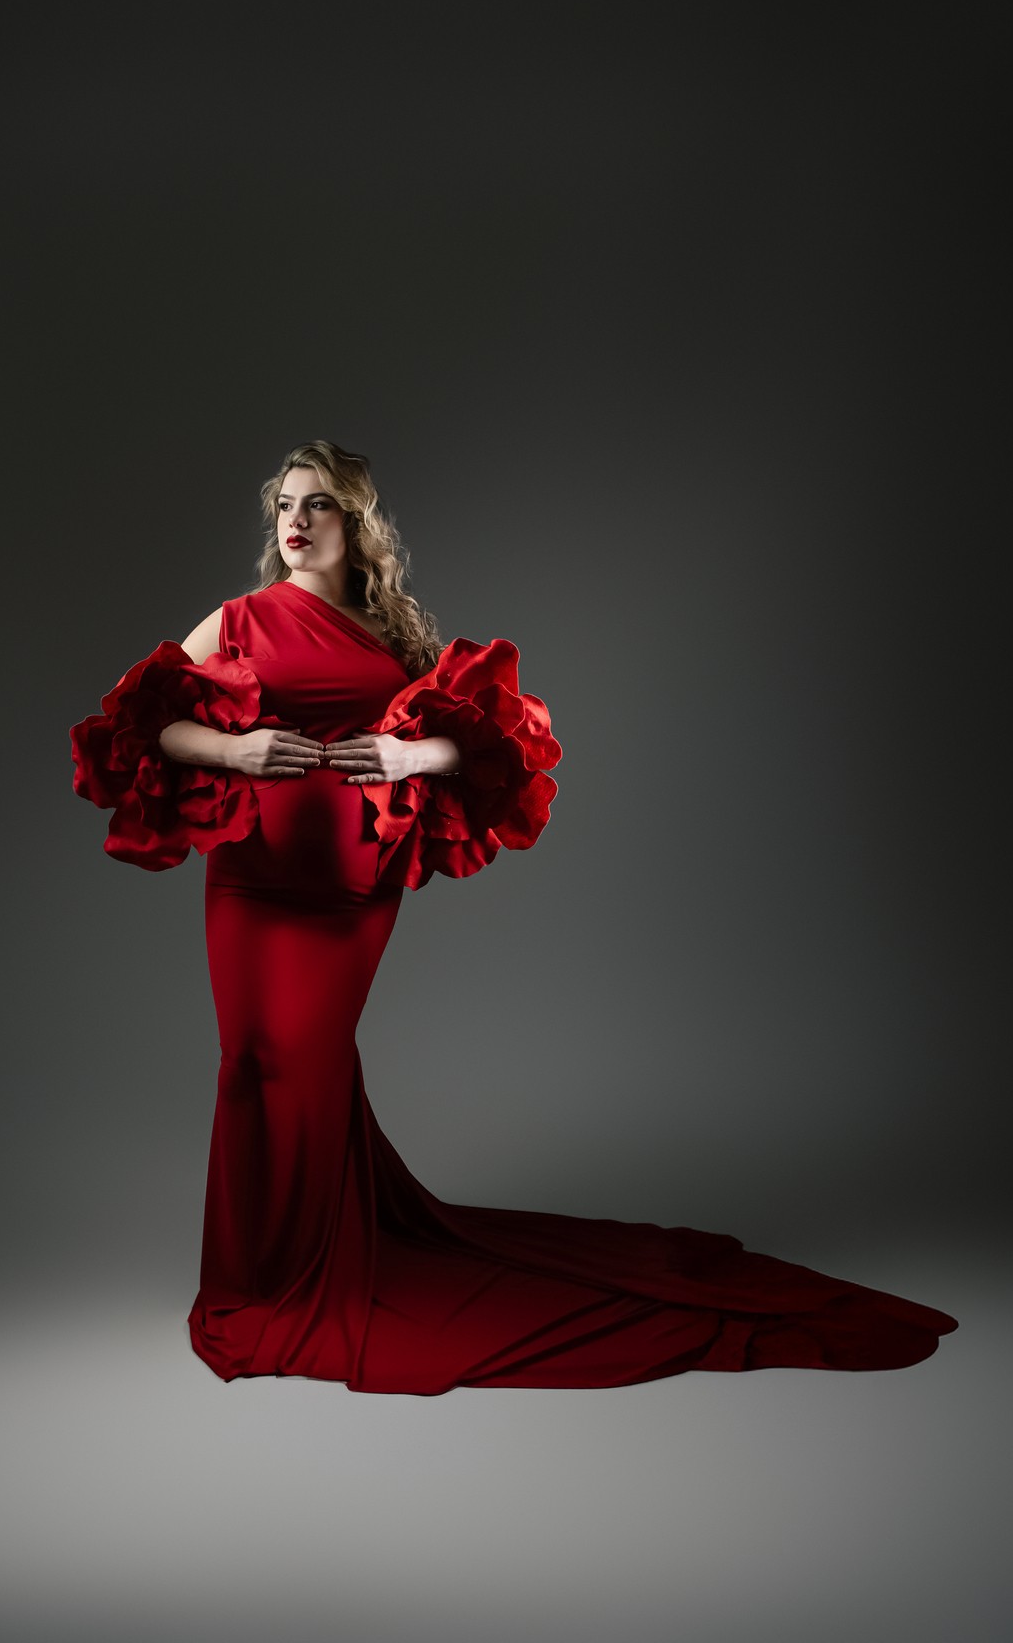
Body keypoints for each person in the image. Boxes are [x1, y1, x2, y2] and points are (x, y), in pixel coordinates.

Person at [71, 440, 955, 1393]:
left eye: (318, 504)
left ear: (355, 523)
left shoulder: (391, 635)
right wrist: (234, 754)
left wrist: (407, 758)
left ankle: (309, 1267)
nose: (296, 521)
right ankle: (258, 1276)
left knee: (307, 1061)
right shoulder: (240, 618)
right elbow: (143, 721)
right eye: (285, 504)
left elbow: (486, 742)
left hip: (353, 890)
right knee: (252, 1064)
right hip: (252, 877)